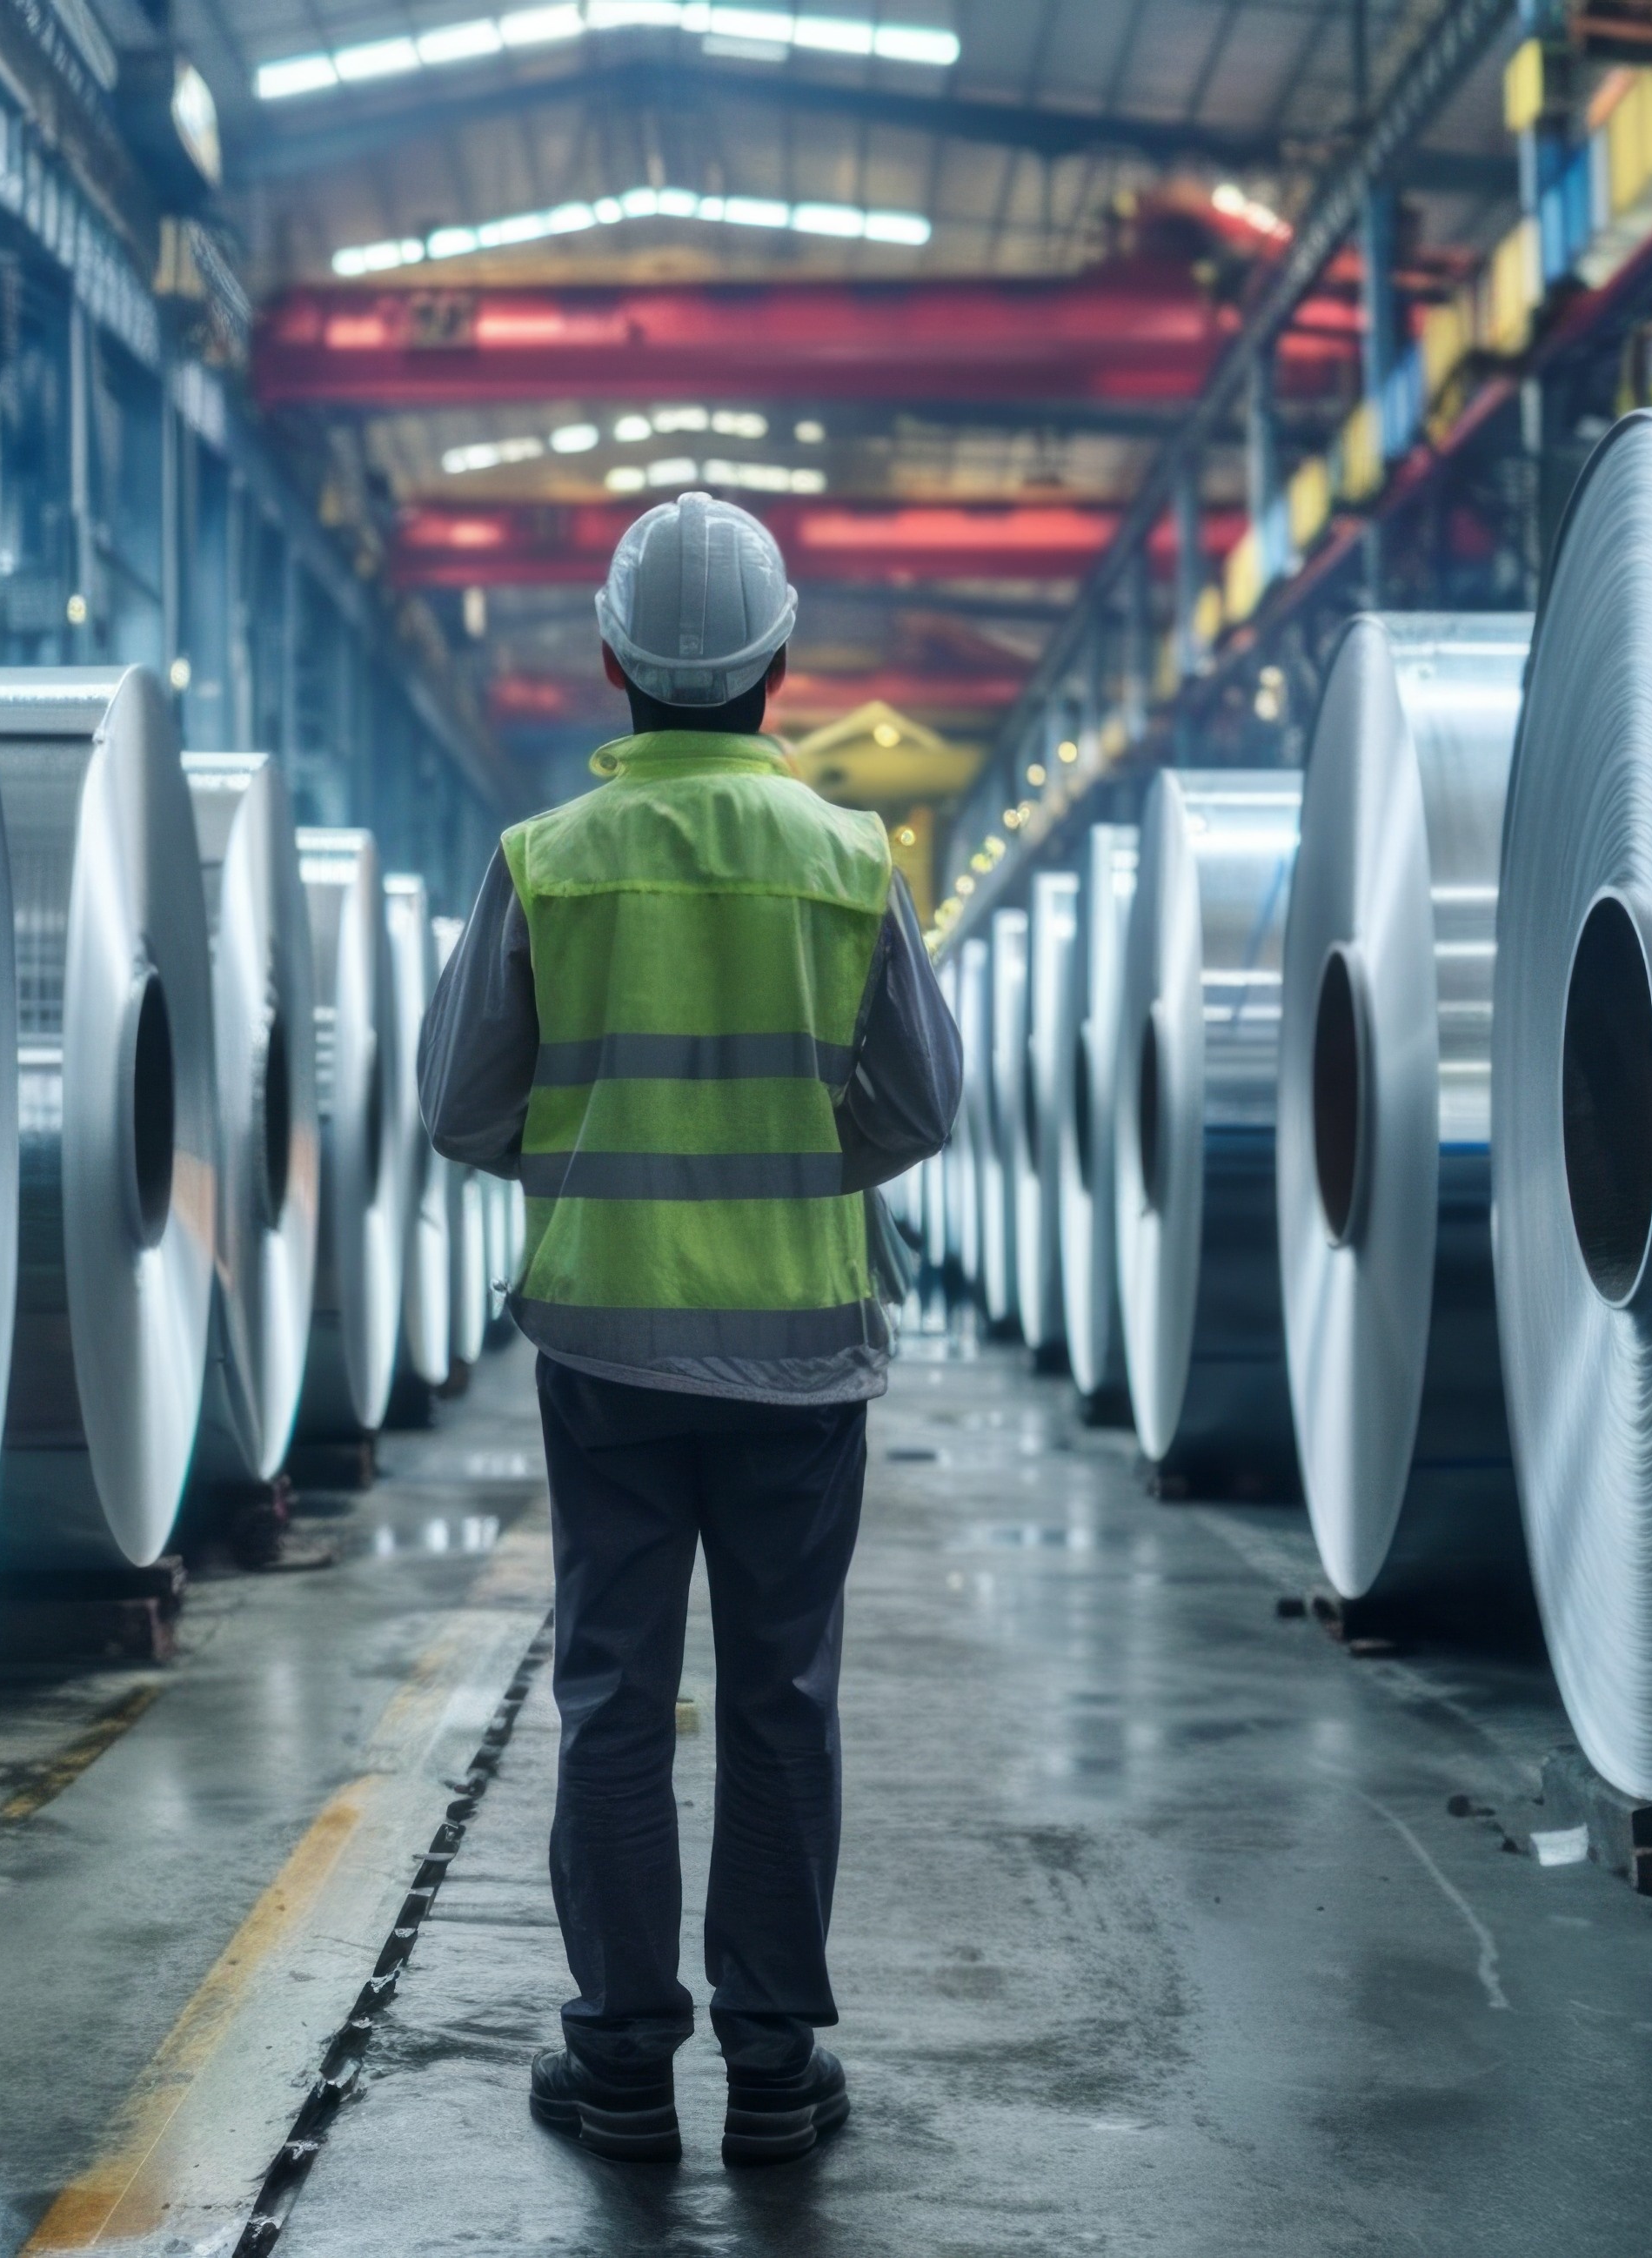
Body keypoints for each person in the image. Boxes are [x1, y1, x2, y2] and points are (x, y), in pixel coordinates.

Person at [418, 491, 961, 2169]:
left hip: (608, 1358)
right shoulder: (847, 860)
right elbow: (921, 1103)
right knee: (784, 1703)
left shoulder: (545, 867)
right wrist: (799, 1169)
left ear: (608, 662)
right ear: (780, 668)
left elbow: (460, 1106)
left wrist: (596, 1162)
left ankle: (624, 2069)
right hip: (802, 1358)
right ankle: (778, 2074)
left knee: (612, 1702)